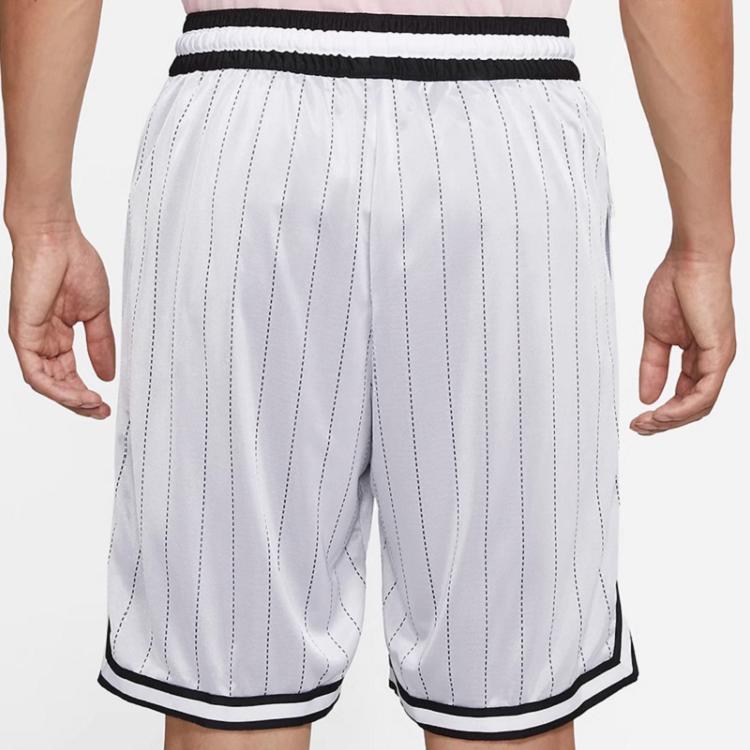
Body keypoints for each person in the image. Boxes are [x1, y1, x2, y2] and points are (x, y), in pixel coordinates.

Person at [0, 1, 736, 748]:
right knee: (506, 701)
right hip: (502, 145)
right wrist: (702, 245)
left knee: (232, 699)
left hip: (247, 136)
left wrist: (41, 220)